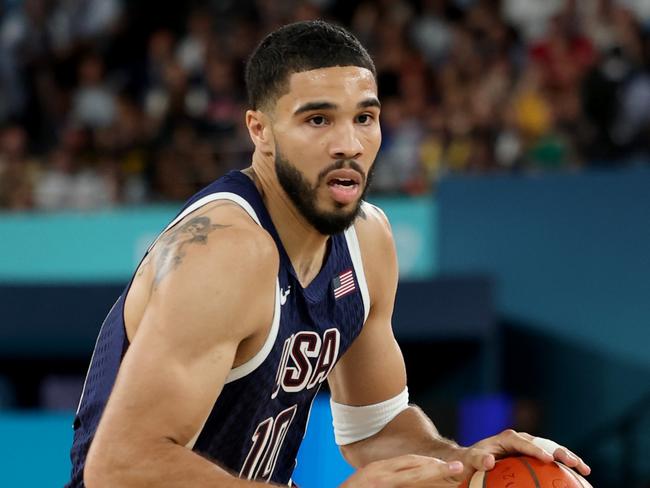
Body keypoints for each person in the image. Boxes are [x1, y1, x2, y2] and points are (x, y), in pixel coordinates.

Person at [67, 20, 591, 487]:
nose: (350, 144)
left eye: (364, 118)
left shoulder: (368, 240)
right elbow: (121, 468)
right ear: (260, 131)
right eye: (318, 120)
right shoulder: (224, 252)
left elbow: (374, 426)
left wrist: (461, 462)